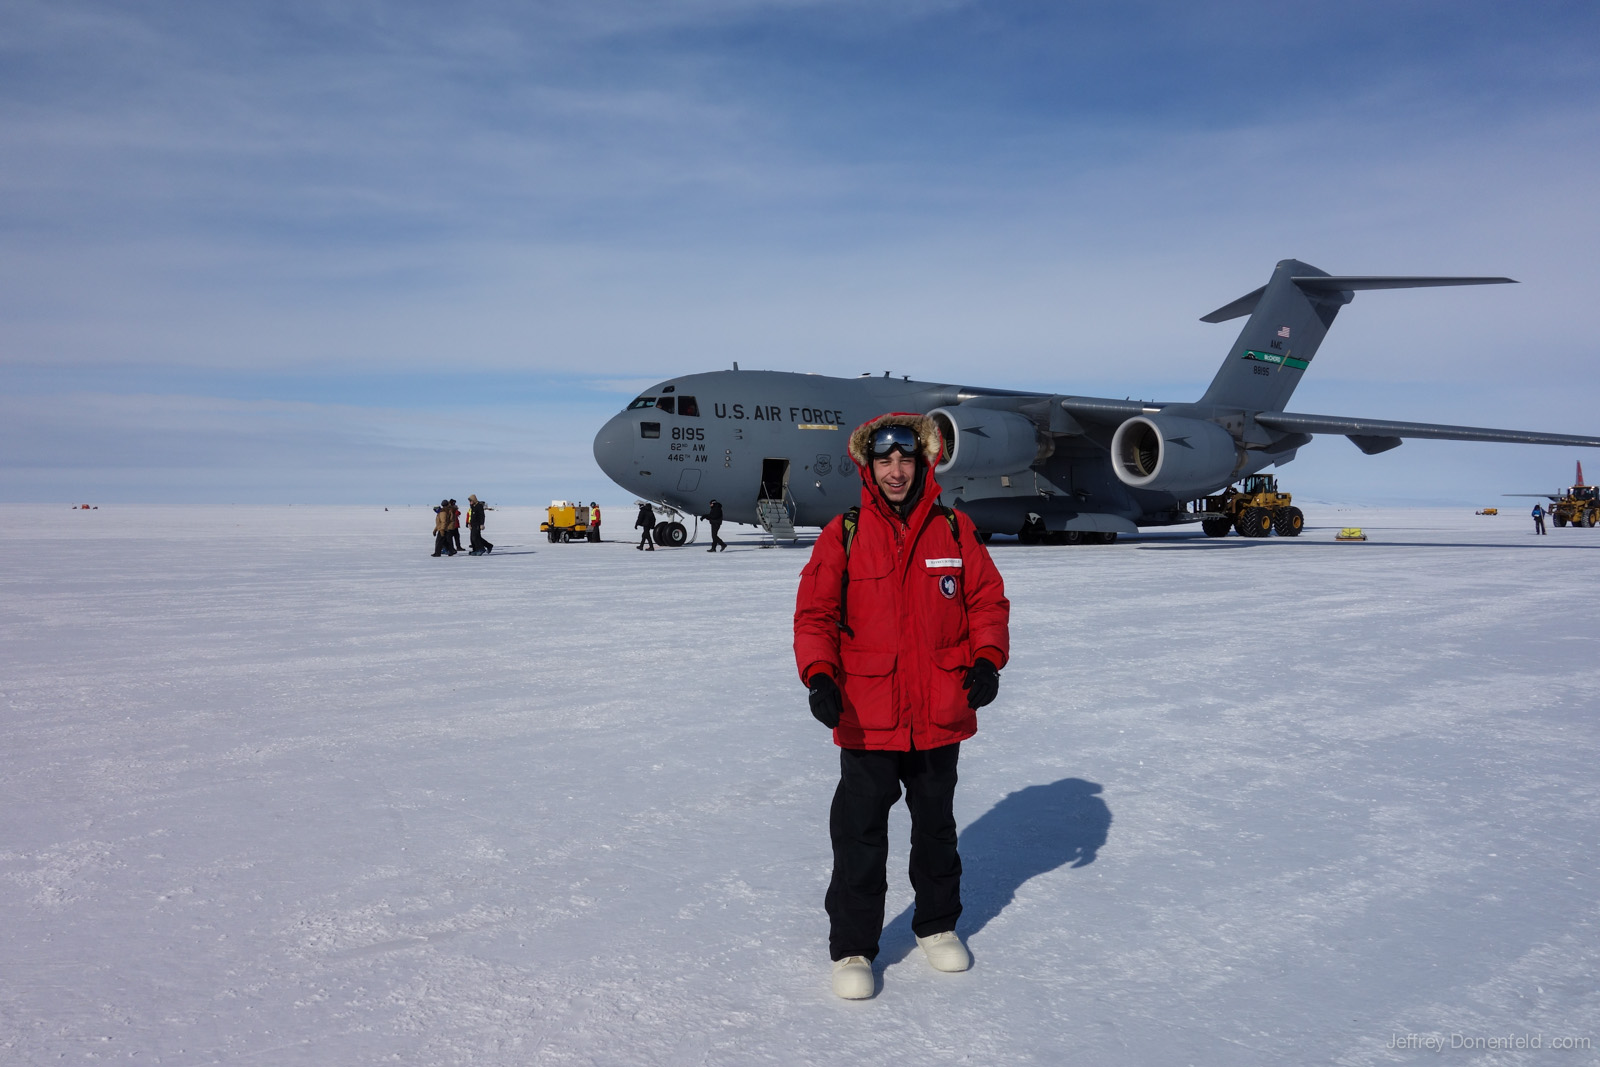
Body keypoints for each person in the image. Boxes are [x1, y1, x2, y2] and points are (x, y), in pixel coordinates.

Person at [793, 413, 1010, 1000]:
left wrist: (987, 659)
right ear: (870, 464)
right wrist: (819, 676)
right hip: (867, 713)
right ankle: (854, 948)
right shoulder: (844, 532)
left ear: (923, 463)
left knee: (936, 828)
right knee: (860, 836)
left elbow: (987, 601)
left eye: (905, 459)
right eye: (884, 460)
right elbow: (815, 616)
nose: (895, 470)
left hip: (940, 709)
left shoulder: (953, 528)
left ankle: (937, 925)